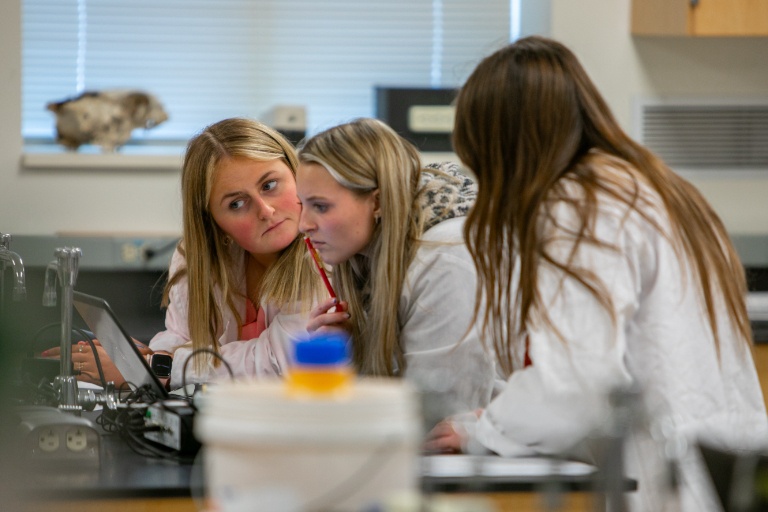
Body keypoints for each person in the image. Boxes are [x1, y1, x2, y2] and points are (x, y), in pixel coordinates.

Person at [424, 36, 768, 511]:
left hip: (669, 483)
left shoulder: (579, 204)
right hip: (726, 471)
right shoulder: (659, 187)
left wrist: (482, 431)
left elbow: (573, 385)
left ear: (503, 148)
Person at [55, 118, 323, 388]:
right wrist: (142, 360)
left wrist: (154, 367)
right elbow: (180, 336)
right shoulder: (198, 257)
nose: (265, 211)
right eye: (237, 203)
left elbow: (279, 363)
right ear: (213, 222)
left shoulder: (324, 252)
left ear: (295, 171)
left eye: (269, 185)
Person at [296, 117, 502, 422]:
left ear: (377, 201)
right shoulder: (366, 253)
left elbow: (439, 413)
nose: (304, 225)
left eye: (321, 206)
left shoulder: (445, 258)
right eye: (302, 205)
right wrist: (356, 348)